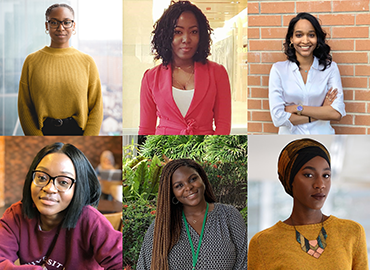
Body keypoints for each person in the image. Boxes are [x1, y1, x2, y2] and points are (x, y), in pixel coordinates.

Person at [248, 138, 368, 269]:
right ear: (290, 179)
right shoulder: (262, 243)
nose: (320, 185)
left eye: (326, 175)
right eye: (309, 175)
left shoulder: (352, 232)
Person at [0, 143, 122, 269]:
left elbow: (121, 261)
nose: (49, 188)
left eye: (63, 182)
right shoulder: (16, 216)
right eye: (41, 177)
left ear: (78, 188)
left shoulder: (90, 220)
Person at [139, 1, 231, 135]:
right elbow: (146, 129)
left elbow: (223, 126)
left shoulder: (217, 73)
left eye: (193, 31)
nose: (186, 39)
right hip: (164, 150)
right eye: (178, 32)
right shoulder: (151, 77)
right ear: (166, 35)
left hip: (205, 148)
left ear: (201, 36)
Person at [137, 159, 247, 270]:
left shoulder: (229, 216)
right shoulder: (162, 225)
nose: (188, 187)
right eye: (179, 186)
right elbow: (144, 266)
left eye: (193, 179)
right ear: (172, 192)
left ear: (202, 178)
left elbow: (245, 262)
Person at [18, 3, 103, 136]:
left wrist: (87, 139)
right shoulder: (31, 61)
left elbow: (96, 107)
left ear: (73, 26)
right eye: (54, 22)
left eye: (66, 22)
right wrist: (38, 139)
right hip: (42, 132)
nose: (60, 27)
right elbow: (24, 106)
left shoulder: (87, 61)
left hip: (79, 132)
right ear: (47, 26)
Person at [269, 12, 346, 134]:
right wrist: (321, 111)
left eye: (311, 35)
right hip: (289, 140)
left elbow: (336, 113)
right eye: (299, 35)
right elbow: (278, 118)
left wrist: (297, 109)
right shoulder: (278, 70)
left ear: (317, 39)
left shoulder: (330, 68)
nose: (305, 41)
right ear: (291, 39)